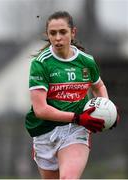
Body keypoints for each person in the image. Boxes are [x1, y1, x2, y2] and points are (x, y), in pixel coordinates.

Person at [25, 11, 111, 179]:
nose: (58, 37)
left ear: (73, 33)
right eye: (53, 33)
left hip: (76, 130)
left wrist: (107, 111)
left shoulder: (86, 61)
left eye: (63, 32)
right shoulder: (41, 64)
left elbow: (98, 86)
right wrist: (77, 117)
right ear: (47, 35)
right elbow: (40, 110)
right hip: (45, 131)